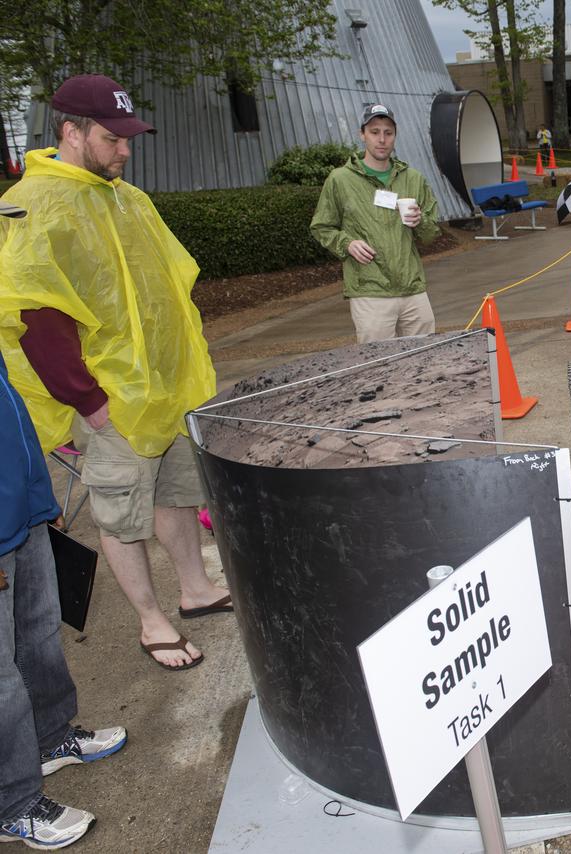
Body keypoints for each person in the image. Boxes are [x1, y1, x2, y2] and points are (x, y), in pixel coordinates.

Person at [0, 74, 226, 671]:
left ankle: (195, 588)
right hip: (112, 402)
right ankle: (152, 621)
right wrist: (90, 403)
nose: (126, 150)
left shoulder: (122, 194)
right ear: (71, 133)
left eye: (129, 137)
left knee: (175, 496)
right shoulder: (36, 204)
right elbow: (36, 317)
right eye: (112, 138)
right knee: (121, 513)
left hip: (163, 391)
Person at [1, 259, 128, 846]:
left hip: (19, 515)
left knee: (40, 637)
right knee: (2, 679)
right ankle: (14, 802)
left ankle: (53, 737)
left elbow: (12, 419)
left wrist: (37, 496)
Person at [311, 103, 441, 343]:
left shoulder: (413, 179)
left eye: (388, 132)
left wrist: (420, 221)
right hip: (370, 291)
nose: (381, 139)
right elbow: (321, 227)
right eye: (374, 132)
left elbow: (432, 234)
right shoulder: (340, 179)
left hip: (412, 289)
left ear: (395, 136)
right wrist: (347, 243)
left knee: (424, 365)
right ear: (362, 134)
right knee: (379, 369)